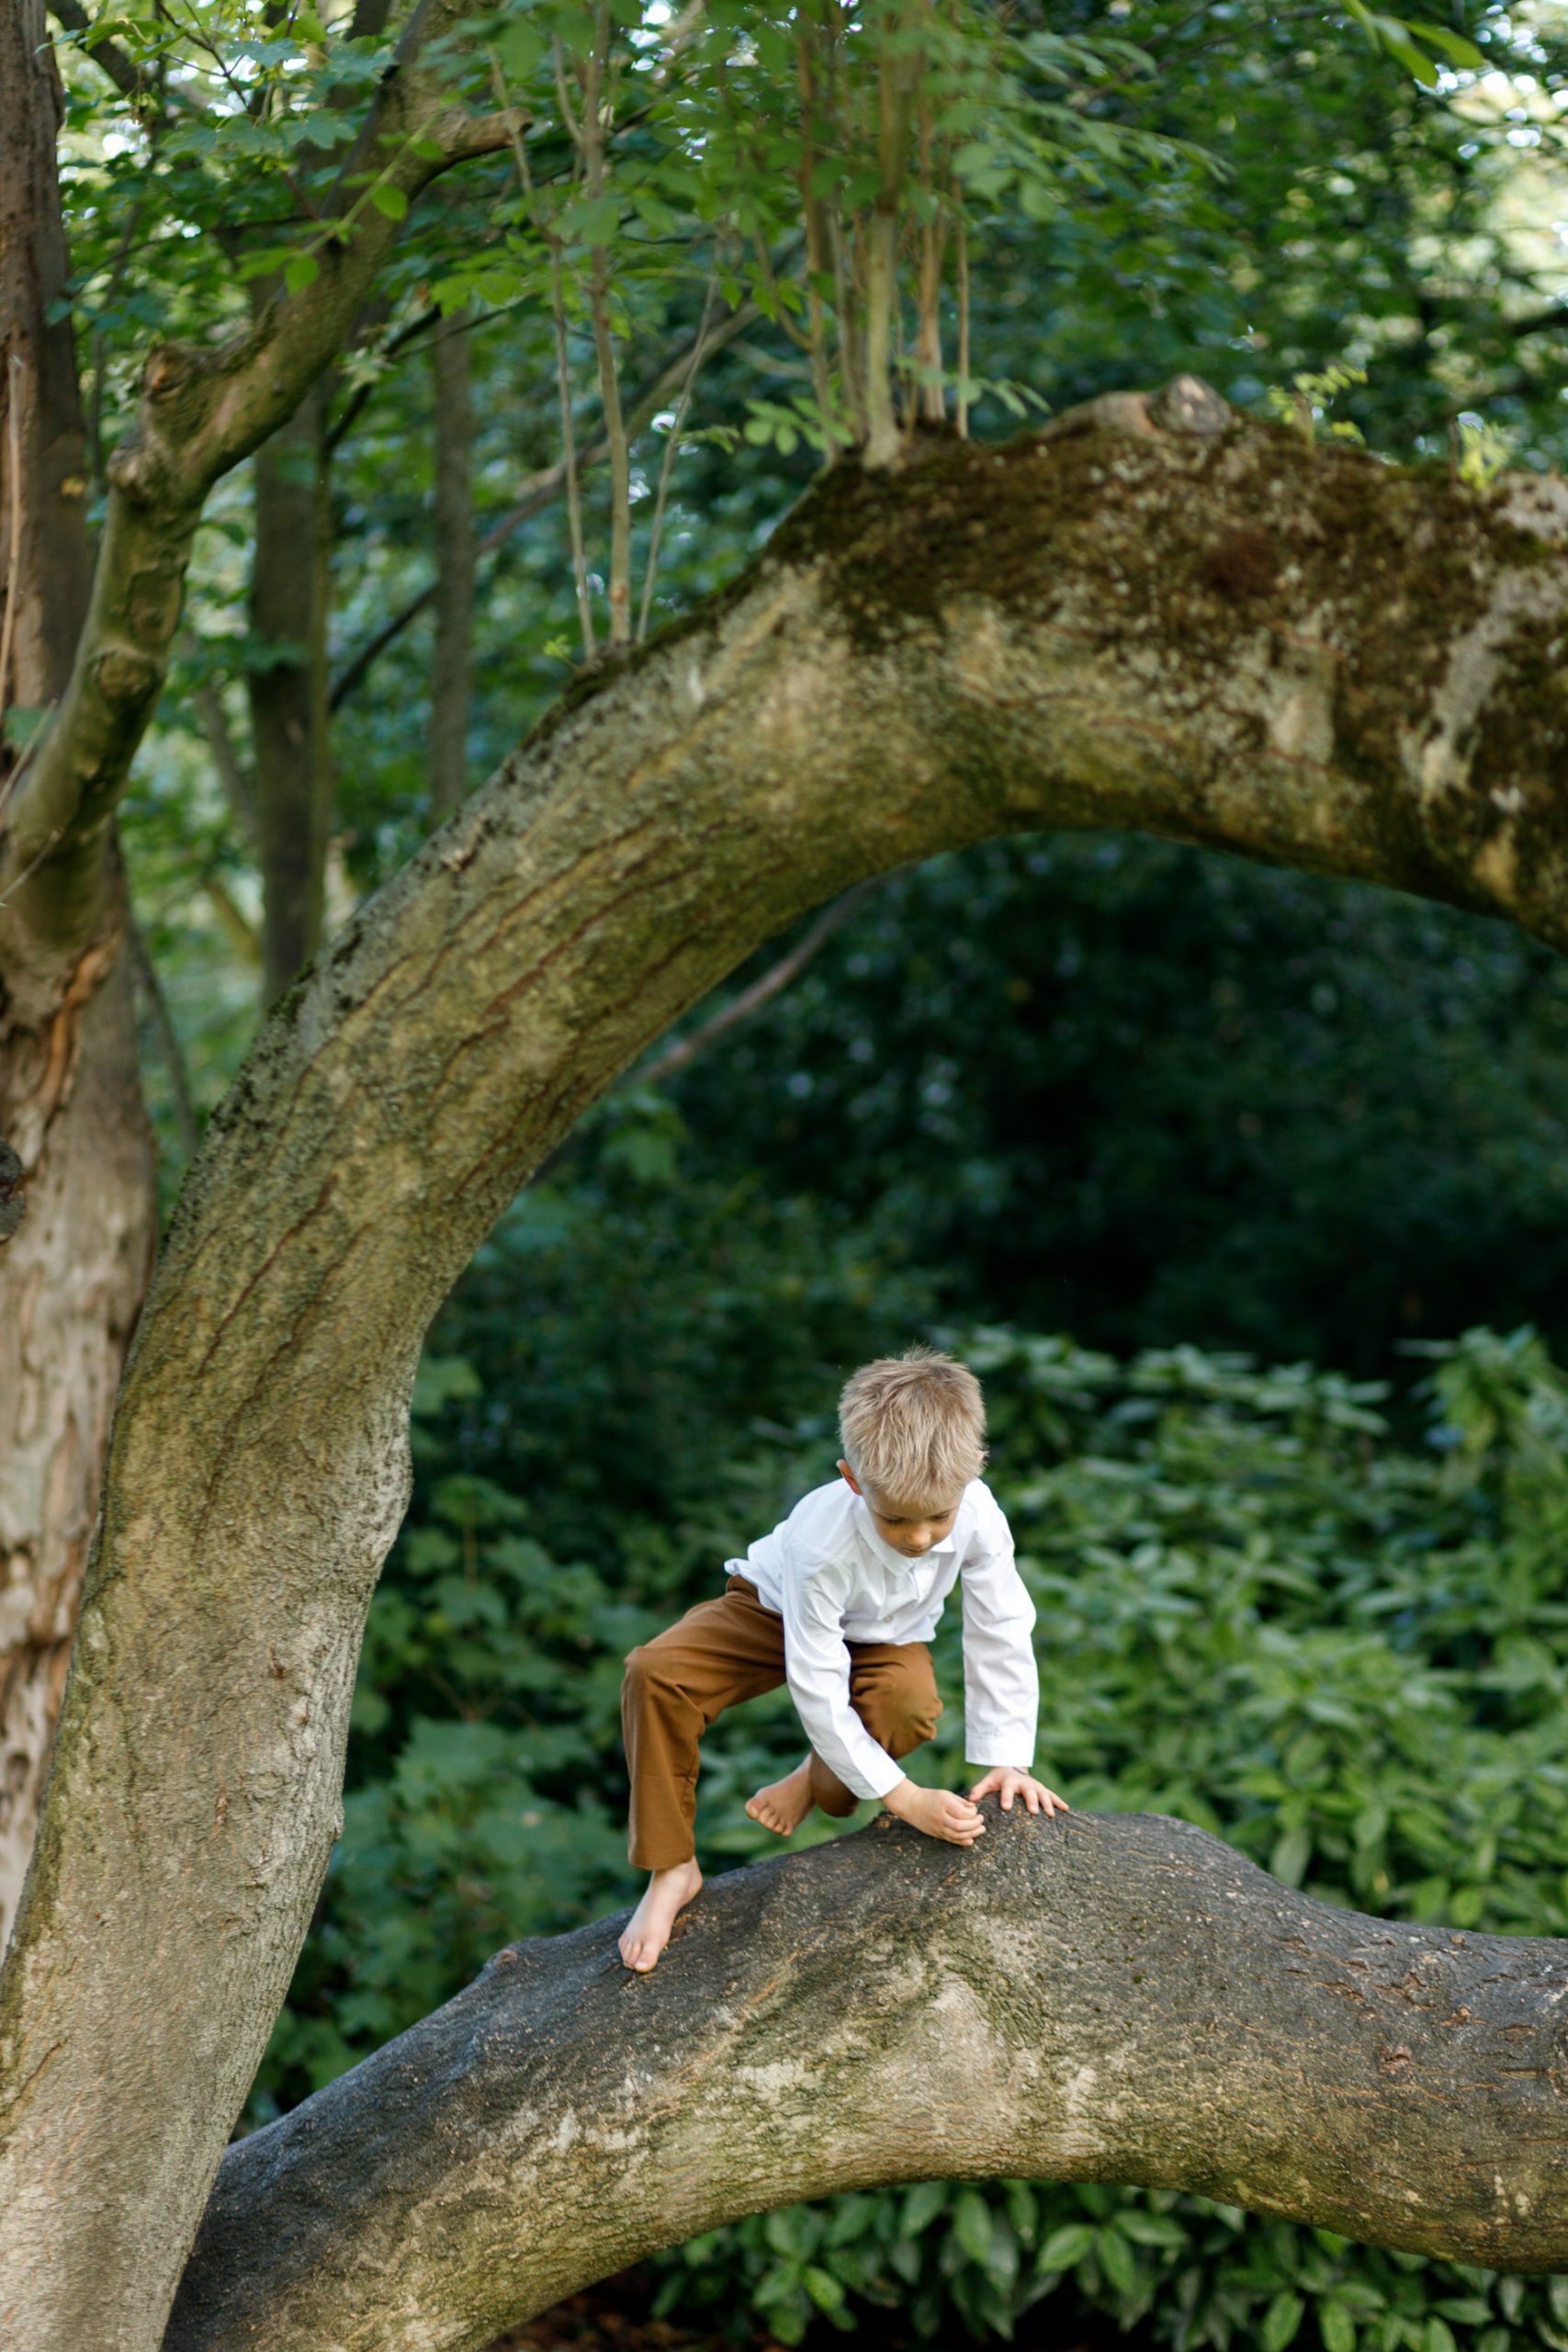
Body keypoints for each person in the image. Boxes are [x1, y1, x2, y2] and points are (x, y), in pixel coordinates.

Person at [617, 1347, 1068, 1972]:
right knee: (654, 1673)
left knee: (907, 1706)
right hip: (775, 1611)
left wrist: (1006, 1759)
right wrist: (905, 1798)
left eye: (938, 1517)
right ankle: (672, 1868)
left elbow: (1001, 1629)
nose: (918, 1538)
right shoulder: (817, 1541)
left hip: (886, 1635)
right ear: (853, 1480)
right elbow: (816, 1679)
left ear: (970, 1478)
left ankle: (813, 1777)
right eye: (896, 1519)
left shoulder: (980, 1515)